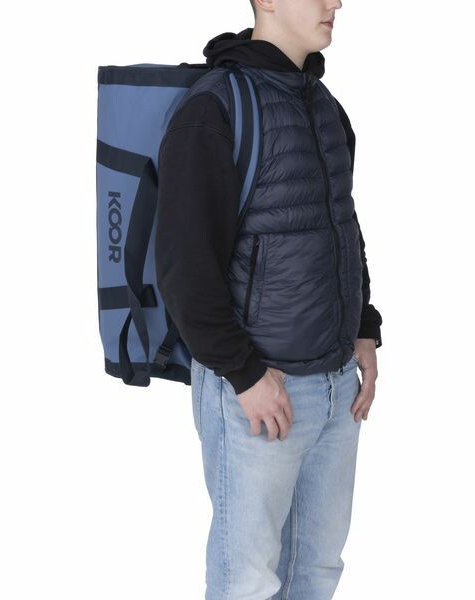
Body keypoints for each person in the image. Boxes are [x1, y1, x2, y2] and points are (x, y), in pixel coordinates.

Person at [155, 1, 382, 598]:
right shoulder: (214, 109)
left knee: (316, 572)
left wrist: (364, 324)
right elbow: (183, 266)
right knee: (247, 583)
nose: (336, 3)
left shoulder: (325, 105)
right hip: (259, 390)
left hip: (337, 388)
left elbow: (340, 222)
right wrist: (244, 373)